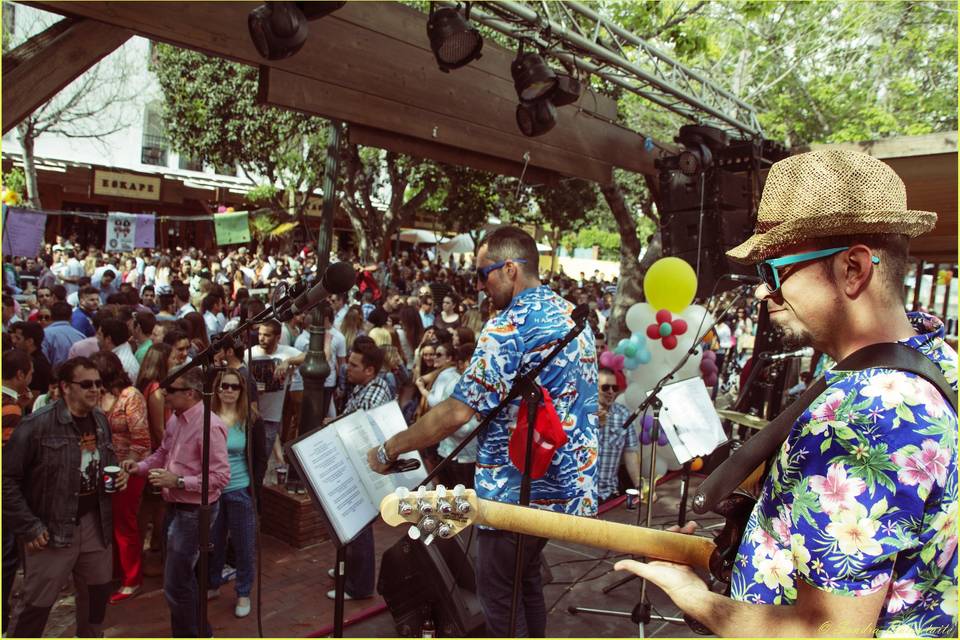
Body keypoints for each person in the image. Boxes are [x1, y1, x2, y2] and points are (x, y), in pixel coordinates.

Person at [614, 149, 959, 636]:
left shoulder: (865, 416)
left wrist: (694, 597)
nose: (761, 293)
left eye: (773, 271)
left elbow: (825, 631)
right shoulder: (934, 356)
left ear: (853, 269)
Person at [367, 226, 599, 637]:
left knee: (498, 597)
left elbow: (456, 412)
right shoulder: (571, 317)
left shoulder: (508, 327)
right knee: (525, 583)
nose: (478, 286)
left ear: (510, 269)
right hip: (564, 484)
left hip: (515, 489)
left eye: (482, 274)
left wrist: (388, 450)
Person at [2, 356, 129, 637]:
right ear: (65, 387)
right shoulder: (36, 426)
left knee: (96, 603)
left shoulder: (99, 420)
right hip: (51, 529)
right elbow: (6, 480)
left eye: (98, 384)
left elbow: (102, 461)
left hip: (96, 526)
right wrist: (29, 526)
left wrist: (119, 475)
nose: (95, 389)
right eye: (86, 384)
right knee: (34, 610)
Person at [121, 367, 230, 638]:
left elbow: (220, 477)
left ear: (190, 393)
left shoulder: (210, 425)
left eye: (171, 390)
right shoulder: (177, 419)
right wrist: (140, 466)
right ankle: (198, 632)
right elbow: (163, 452)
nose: (165, 394)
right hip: (175, 509)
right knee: (182, 582)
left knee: (175, 585)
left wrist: (178, 481)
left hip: (193, 513)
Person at [330, 338, 395, 601]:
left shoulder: (375, 393)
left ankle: (360, 586)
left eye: (354, 365)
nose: (347, 368)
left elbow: (361, 433)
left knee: (361, 527)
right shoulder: (364, 387)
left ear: (369, 370)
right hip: (357, 467)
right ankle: (346, 571)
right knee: (350, 523)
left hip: (367, 471)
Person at [89, 351, 150, 604]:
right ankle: (115, 572)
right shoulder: (98, 396)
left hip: (128, 470)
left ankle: (131, 579)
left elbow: (142, 439)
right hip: (102, 469)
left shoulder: (130, 396)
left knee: (125, 525)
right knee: (106, 523)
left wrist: (126, 468)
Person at [206, 369, 266, 618]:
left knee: (243, 545)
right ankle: (211, 583)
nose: (228, 390)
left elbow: (260, 458)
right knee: (212, 543)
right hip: (213, 491)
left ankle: (243, 592)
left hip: (240, 490)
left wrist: (253, 490)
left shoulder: (250, 419)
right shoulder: (208, 418)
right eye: (224, 386)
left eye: (234, 387)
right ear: (216, 389)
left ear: (241, 391)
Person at [245, 319, 302, 464]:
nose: (262, 338)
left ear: (278, 337)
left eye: (267, 335)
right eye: (260, 334)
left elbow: (307, 356)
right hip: (249, 414)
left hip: (271, 417)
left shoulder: (286, 352)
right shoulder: (249, 354)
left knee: (262, 459)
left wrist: (288, 362)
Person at [595, 367, 640, 504]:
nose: (610, 392)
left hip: (609, 494)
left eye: (614, 388)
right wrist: (596, 425)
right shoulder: (581, 411)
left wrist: (639, 485)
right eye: (605, 387)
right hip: (583, 494)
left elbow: (630, 454)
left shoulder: (624, 414)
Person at [10, 322, 52, 395]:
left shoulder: (38, 364)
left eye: (18, 338)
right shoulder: (25, 359)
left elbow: (34, 396)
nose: (14, 341)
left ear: (30, 341)